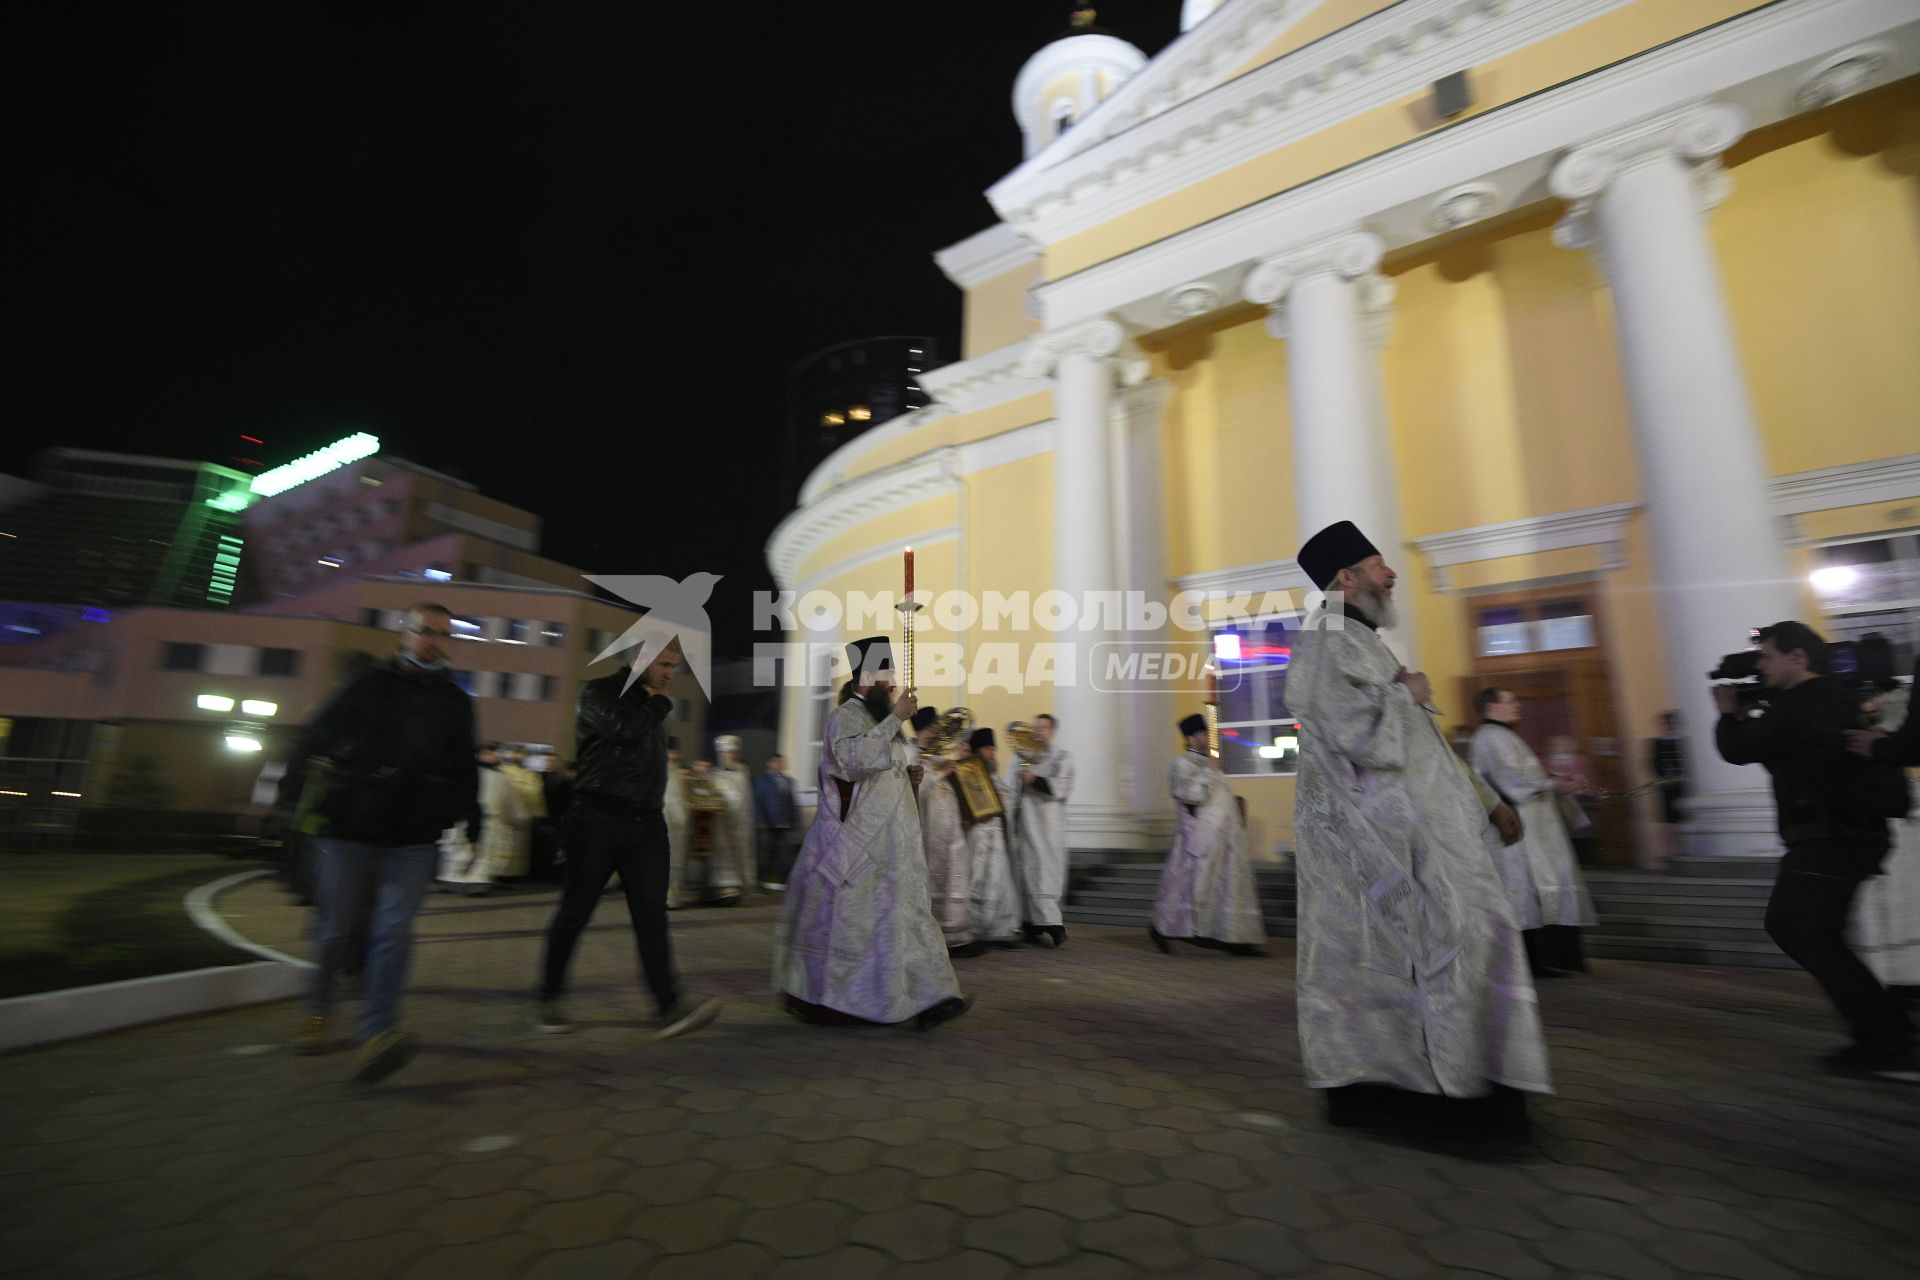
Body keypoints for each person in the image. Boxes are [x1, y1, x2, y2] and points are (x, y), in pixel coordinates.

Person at [1288, 522, 1548, 1142]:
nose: (1392, 573)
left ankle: (1468, 1082)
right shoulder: (1326, 636)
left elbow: (1424, 744)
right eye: (1379, 565)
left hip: (1425, 835)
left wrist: (1486, 799)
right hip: (1376, 847)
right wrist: (1407, 695)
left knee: (1464, 938)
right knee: (1425, 948)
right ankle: (1419, 1090)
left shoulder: (1360, 639)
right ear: (1346, 578)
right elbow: (1354, 732)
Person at [278, 604, 480, 1083]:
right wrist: (289, 792)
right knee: (336, 928)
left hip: (413, 835)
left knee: (393, 929)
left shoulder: (455, 701)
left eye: (442, 634)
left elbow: (464, 766)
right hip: (352, 827)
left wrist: (474, 820)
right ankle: (317, 1011)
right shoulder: (369, 686)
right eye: (424, 631)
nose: (433, 640)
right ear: (404, 635)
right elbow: (316, 736)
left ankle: (378, 1032)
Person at [1717, 622, 1915, 1082]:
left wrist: (1729, 712)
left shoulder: (1803, 705)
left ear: (1798, 658)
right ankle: (1886, 1034)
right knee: (1810, 931)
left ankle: (1886, 1040)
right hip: (1842, 835)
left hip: (1832, 837)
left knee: (1801, 929)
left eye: (1767, 657)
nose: (1761, 666)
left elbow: (1741, 748)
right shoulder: (1827, 698)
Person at [773, 636, 969, 1030]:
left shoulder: (883, 723)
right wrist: (896, 717)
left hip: (894, 850)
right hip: (858, 852)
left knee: (906, 923)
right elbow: (848, 762)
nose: (894, 682)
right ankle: (847, 1004)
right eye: (888, 674)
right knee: (858, 930)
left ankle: (929, 998)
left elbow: (885, 768)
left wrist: (910, 774)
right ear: (867, 677)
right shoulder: (844, 716)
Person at [534, 641, 720, 1039]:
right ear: (639, 661)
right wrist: (658, 703)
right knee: (576, 912)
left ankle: (668, 1006)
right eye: (664, 665)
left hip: (646, 825)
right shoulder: (600, 693)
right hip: (596, 819)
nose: (671, 673)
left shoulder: (650, 703)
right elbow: (623, 729)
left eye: (675, 666)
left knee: (652, 916)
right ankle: (549, 997)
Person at [1470, 692, 1597, 976]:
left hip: (1536, 827)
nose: (1517, 705)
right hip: (1519, 830)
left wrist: (1556, 779)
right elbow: (1512, 781)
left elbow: (1526, 775)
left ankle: (1552, 959)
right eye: (1510, 701)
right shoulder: (1491, 736)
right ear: (1493, 707)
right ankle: (1535, 963)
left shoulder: (1504, 736)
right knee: (1526, 889)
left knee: (1548, 883)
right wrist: (1554, 785)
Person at [1150, 714, 1267, 957]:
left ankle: (1236, 938)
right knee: (1185, 888)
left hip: (1225, 838)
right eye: (1202, 734)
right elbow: (1190, 796)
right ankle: (1161, 929)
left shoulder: (1208, 764)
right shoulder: (1182, 765)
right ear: (1191, 738)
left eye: (1206, 733)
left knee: (1228, 888)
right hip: (1198, 839)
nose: (1206, 738)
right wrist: (1210, 773)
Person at [915, 711, 987, 959]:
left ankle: (958, 937)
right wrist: (940, 774)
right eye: (932, 729)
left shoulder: (936, 758)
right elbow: (914, 789)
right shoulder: (913, 756)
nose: (937, 734)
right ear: (922, 730)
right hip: (930, 833)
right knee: (935, 881)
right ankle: (937, 938)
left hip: (952, 833)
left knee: (955, 879)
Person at [1016, 713, 1074, 948]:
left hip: (1050, 827)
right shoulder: (1023, 758)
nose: (1039, 731)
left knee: (1047, 872)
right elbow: (1013, 789)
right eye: (1036, 727)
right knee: (1029, 870)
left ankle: (1053, 924)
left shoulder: (1062, 758)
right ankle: (1031, 924)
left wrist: (1032, 780)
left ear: (1052, 730)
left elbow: (1060, 787)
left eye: (1044, 727)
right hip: (1028, 824)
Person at [964, 728, 1024, 951]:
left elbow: (1005, 798)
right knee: (977, 881)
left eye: (993, 749)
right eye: (988, 748)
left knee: (1000, 882)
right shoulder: (967, 773)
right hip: (977, 837)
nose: (992, 753)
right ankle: (976, 930)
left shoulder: (994, 777)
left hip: (997, 837)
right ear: (978, 750)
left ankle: (1000, 931)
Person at [438, 743, 524, 897]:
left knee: (483, 854)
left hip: (490, 820)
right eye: (487, 753)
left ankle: (477, 883)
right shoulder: (467, 774)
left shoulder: (502, 777)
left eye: (493, 754)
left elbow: (510, 800)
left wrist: (516, 818)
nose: (491, 757)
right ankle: (452, 879)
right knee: (458, 850)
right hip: (465, 817)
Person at [708, 736, 755, 903]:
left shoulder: (743, 774)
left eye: (733, 752)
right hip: (721, 824)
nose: (731, 756)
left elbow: (746, 800)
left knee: (740, 854)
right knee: (722, 855)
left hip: (740, 824)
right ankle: (721, 888)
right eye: (727, 752)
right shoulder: (713, 775)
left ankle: (737, 888)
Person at [498, 746, 547, 879]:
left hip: (526, 815)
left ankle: (515, 875)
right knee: (505, 845)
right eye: (517, 753)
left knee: (520, 847)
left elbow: (537, 795)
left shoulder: (532, 775)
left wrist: (538, 814)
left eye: (522, 754)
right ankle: (501, 874)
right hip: (507, 816)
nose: (520, 756)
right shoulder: (503, 771)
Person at [754, 753, 799, 892]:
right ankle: (761, 882)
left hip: (784, 824)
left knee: (785, 854)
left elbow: (791, 801)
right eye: (776, 762)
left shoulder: (788, 780)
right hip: (767, 824)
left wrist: (793, 820)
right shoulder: (763, 780)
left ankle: (783, 882)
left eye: (781, 762)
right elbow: (757, 801)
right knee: (764, 854)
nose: (779, 764)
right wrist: (760, 819)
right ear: (770, 763)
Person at [1649, 710, 1687, 826]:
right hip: (1667, 784)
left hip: (1683, 783)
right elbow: (1655, 763)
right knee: (1671, 814)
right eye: (1666, 723)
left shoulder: (1682, 741)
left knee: (1685, 812)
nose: (1668, 726)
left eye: (1671, 723)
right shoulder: (1657, 743)